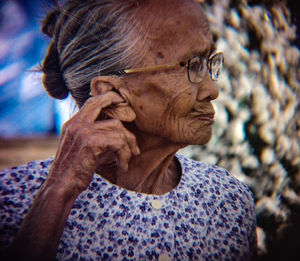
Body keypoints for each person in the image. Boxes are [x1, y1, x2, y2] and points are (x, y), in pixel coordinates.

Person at [0, 0, 257, 260]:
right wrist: (56, 195)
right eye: (191, 66)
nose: (212, 90)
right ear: (113, 94)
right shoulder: (11, 202)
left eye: (208, 62)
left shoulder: (228, 201)